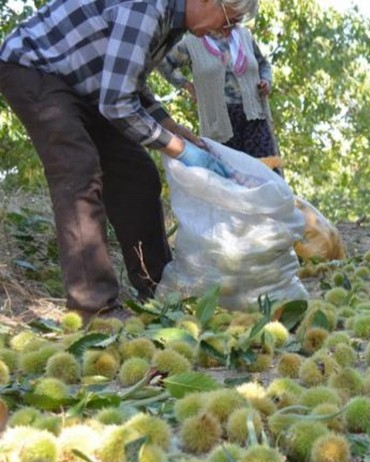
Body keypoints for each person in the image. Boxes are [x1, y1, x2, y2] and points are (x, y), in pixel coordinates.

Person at [0, 0, 258, 321]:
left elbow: (128, 83)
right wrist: (179, 149)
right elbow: (118, 105)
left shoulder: (172, 26)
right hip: (35, 68)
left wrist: (173, 128)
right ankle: (93, 307)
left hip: (87, 84)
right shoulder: (147, 7)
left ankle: (157, 286)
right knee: (78, 170)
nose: (226, 32)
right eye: (229, 21)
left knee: (138, 176)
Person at [157, 20, 283, 174]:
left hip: (255, 119)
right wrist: (186, 85)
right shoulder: (193, 42)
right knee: (231, 180)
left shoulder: (244, 36)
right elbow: (164, 64)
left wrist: (266, 81)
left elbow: (263, 64)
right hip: (219, 125)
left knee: (267, 174)